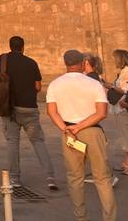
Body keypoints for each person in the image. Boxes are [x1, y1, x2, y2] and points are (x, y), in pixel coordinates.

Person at [46, 49, 116, 221]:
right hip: (92, 131)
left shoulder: (55, 84)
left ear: (66, 63)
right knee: (102, 178)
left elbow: (51, 112)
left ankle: (81, 217)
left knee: (75, 178)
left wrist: (67, 129)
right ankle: (109, 218)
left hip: (69, 134)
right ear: (83, 63)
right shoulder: (94, 84)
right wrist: (80, 126)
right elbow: (102, 113)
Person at [0, 36, 56, 189]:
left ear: (10, 46)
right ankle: (50, 177)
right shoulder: (31, 63)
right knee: (38, 141)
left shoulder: (3, 60)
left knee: (12, 143)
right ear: (23, 47)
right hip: (29, 108)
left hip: (10, 109)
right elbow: (38, 86)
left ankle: (14, 179)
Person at [106, 49, 128, 175]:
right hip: (121, 108)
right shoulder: (124, 72)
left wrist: (111, 86)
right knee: (127, 137)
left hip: (124, 109)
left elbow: (124, 90)